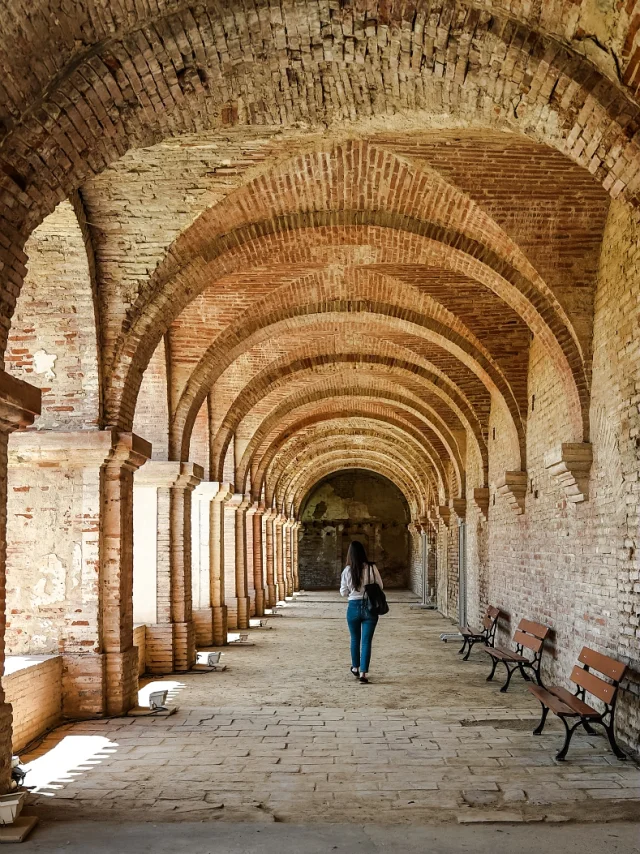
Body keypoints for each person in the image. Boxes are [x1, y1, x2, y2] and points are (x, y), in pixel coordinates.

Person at [340, 541, 384, 684]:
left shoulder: (347, 571)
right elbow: (380, 586)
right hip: (370, 607)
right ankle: (363, 673)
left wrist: (353, 592)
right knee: (366, 641)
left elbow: (343, 592)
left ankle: (355, 667)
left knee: (354, 638)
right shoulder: (372, 568)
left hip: (353, 607)